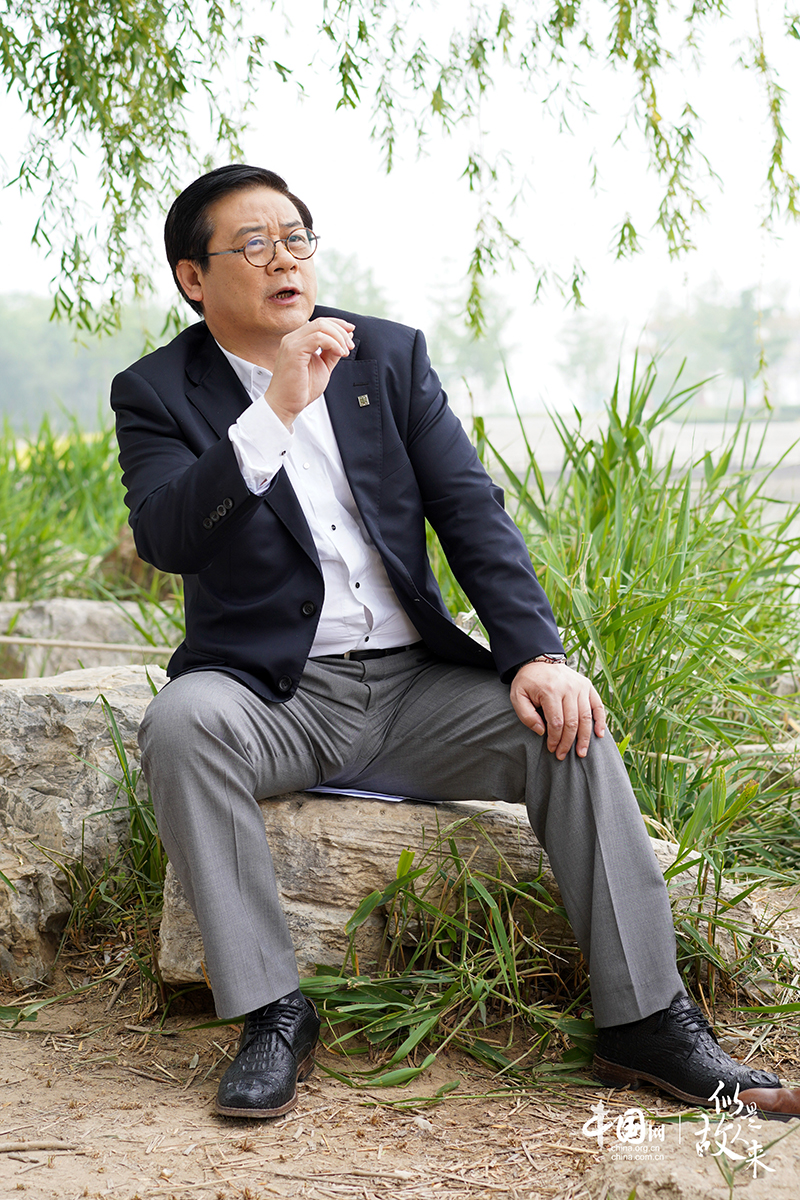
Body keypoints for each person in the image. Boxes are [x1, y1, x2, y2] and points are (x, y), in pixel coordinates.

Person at [111, 164, 781, 1119]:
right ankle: (273, 1014)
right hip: (272, 696)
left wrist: (537, 655)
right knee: (180, 724)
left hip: (415, 687)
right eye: (253, 245)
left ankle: (644, 1022)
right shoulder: (156, 391)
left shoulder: (384, 356)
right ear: (193, 276)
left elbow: (470, 511)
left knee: (569, 728)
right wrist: (274, 412)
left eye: (296, 238)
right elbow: (171, 537)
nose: (284, 260)